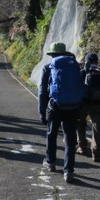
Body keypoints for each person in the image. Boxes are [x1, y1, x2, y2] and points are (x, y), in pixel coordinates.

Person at [38, 42, 86, 183]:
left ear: (52, 54)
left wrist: (42, 111)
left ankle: (50, 162)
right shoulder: (74, 65)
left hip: (55, 107)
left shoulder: (48, 67)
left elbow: (42, 91)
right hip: (73, 107)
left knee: (51, 134)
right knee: (70, 140)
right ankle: (68, 171)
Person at [77, 52, 100, 162]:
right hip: (98, 103)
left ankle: (82, 146)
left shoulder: (83, 72)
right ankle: (96, 152)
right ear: (97, 61)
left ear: (86, 61)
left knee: (80, 123)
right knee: (96, 127)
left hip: (84, 103)